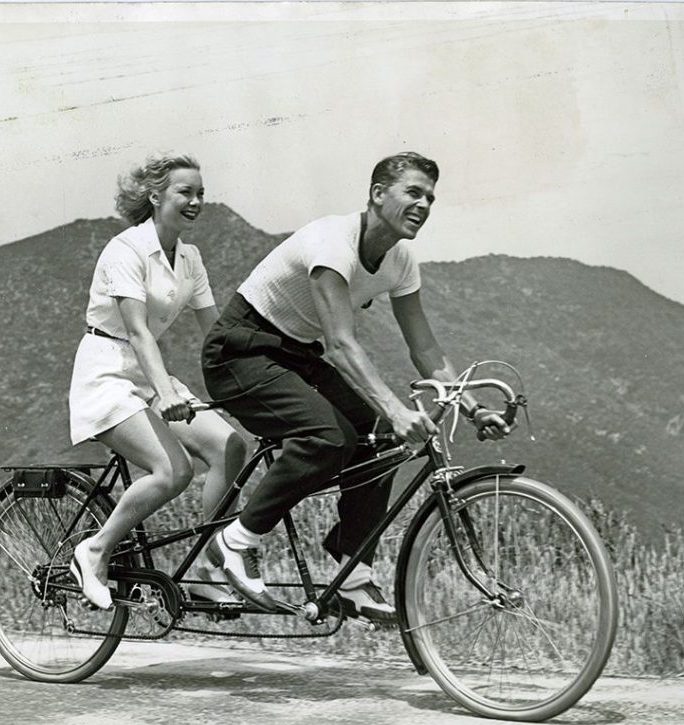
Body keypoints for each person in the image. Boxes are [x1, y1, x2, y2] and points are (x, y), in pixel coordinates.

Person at [201, 151, 510, 621]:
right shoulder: (333, 243)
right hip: (239, 351)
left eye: (430, 197)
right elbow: (342, 345)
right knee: (327, 437)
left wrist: (471, 406)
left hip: (296, 354)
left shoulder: (401, 260)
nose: (424, 204)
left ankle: (354, 576)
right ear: (378, 193)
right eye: (413, 192)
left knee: (381, 441)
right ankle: (236, 541)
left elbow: (424, 348)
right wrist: (395, 407)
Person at [68, 153, 246, 610]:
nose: (196, 201)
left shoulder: (189, 257)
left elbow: (216, 331)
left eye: (201, 193)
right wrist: (166, 393)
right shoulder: (125, 250)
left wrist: (260, 378)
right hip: (106, 370)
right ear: (155, 196)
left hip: (148, 374)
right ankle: (93, 551)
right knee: (174, 470)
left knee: (230, 447)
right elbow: (137, 330)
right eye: (185, 192)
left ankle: (210, 570)